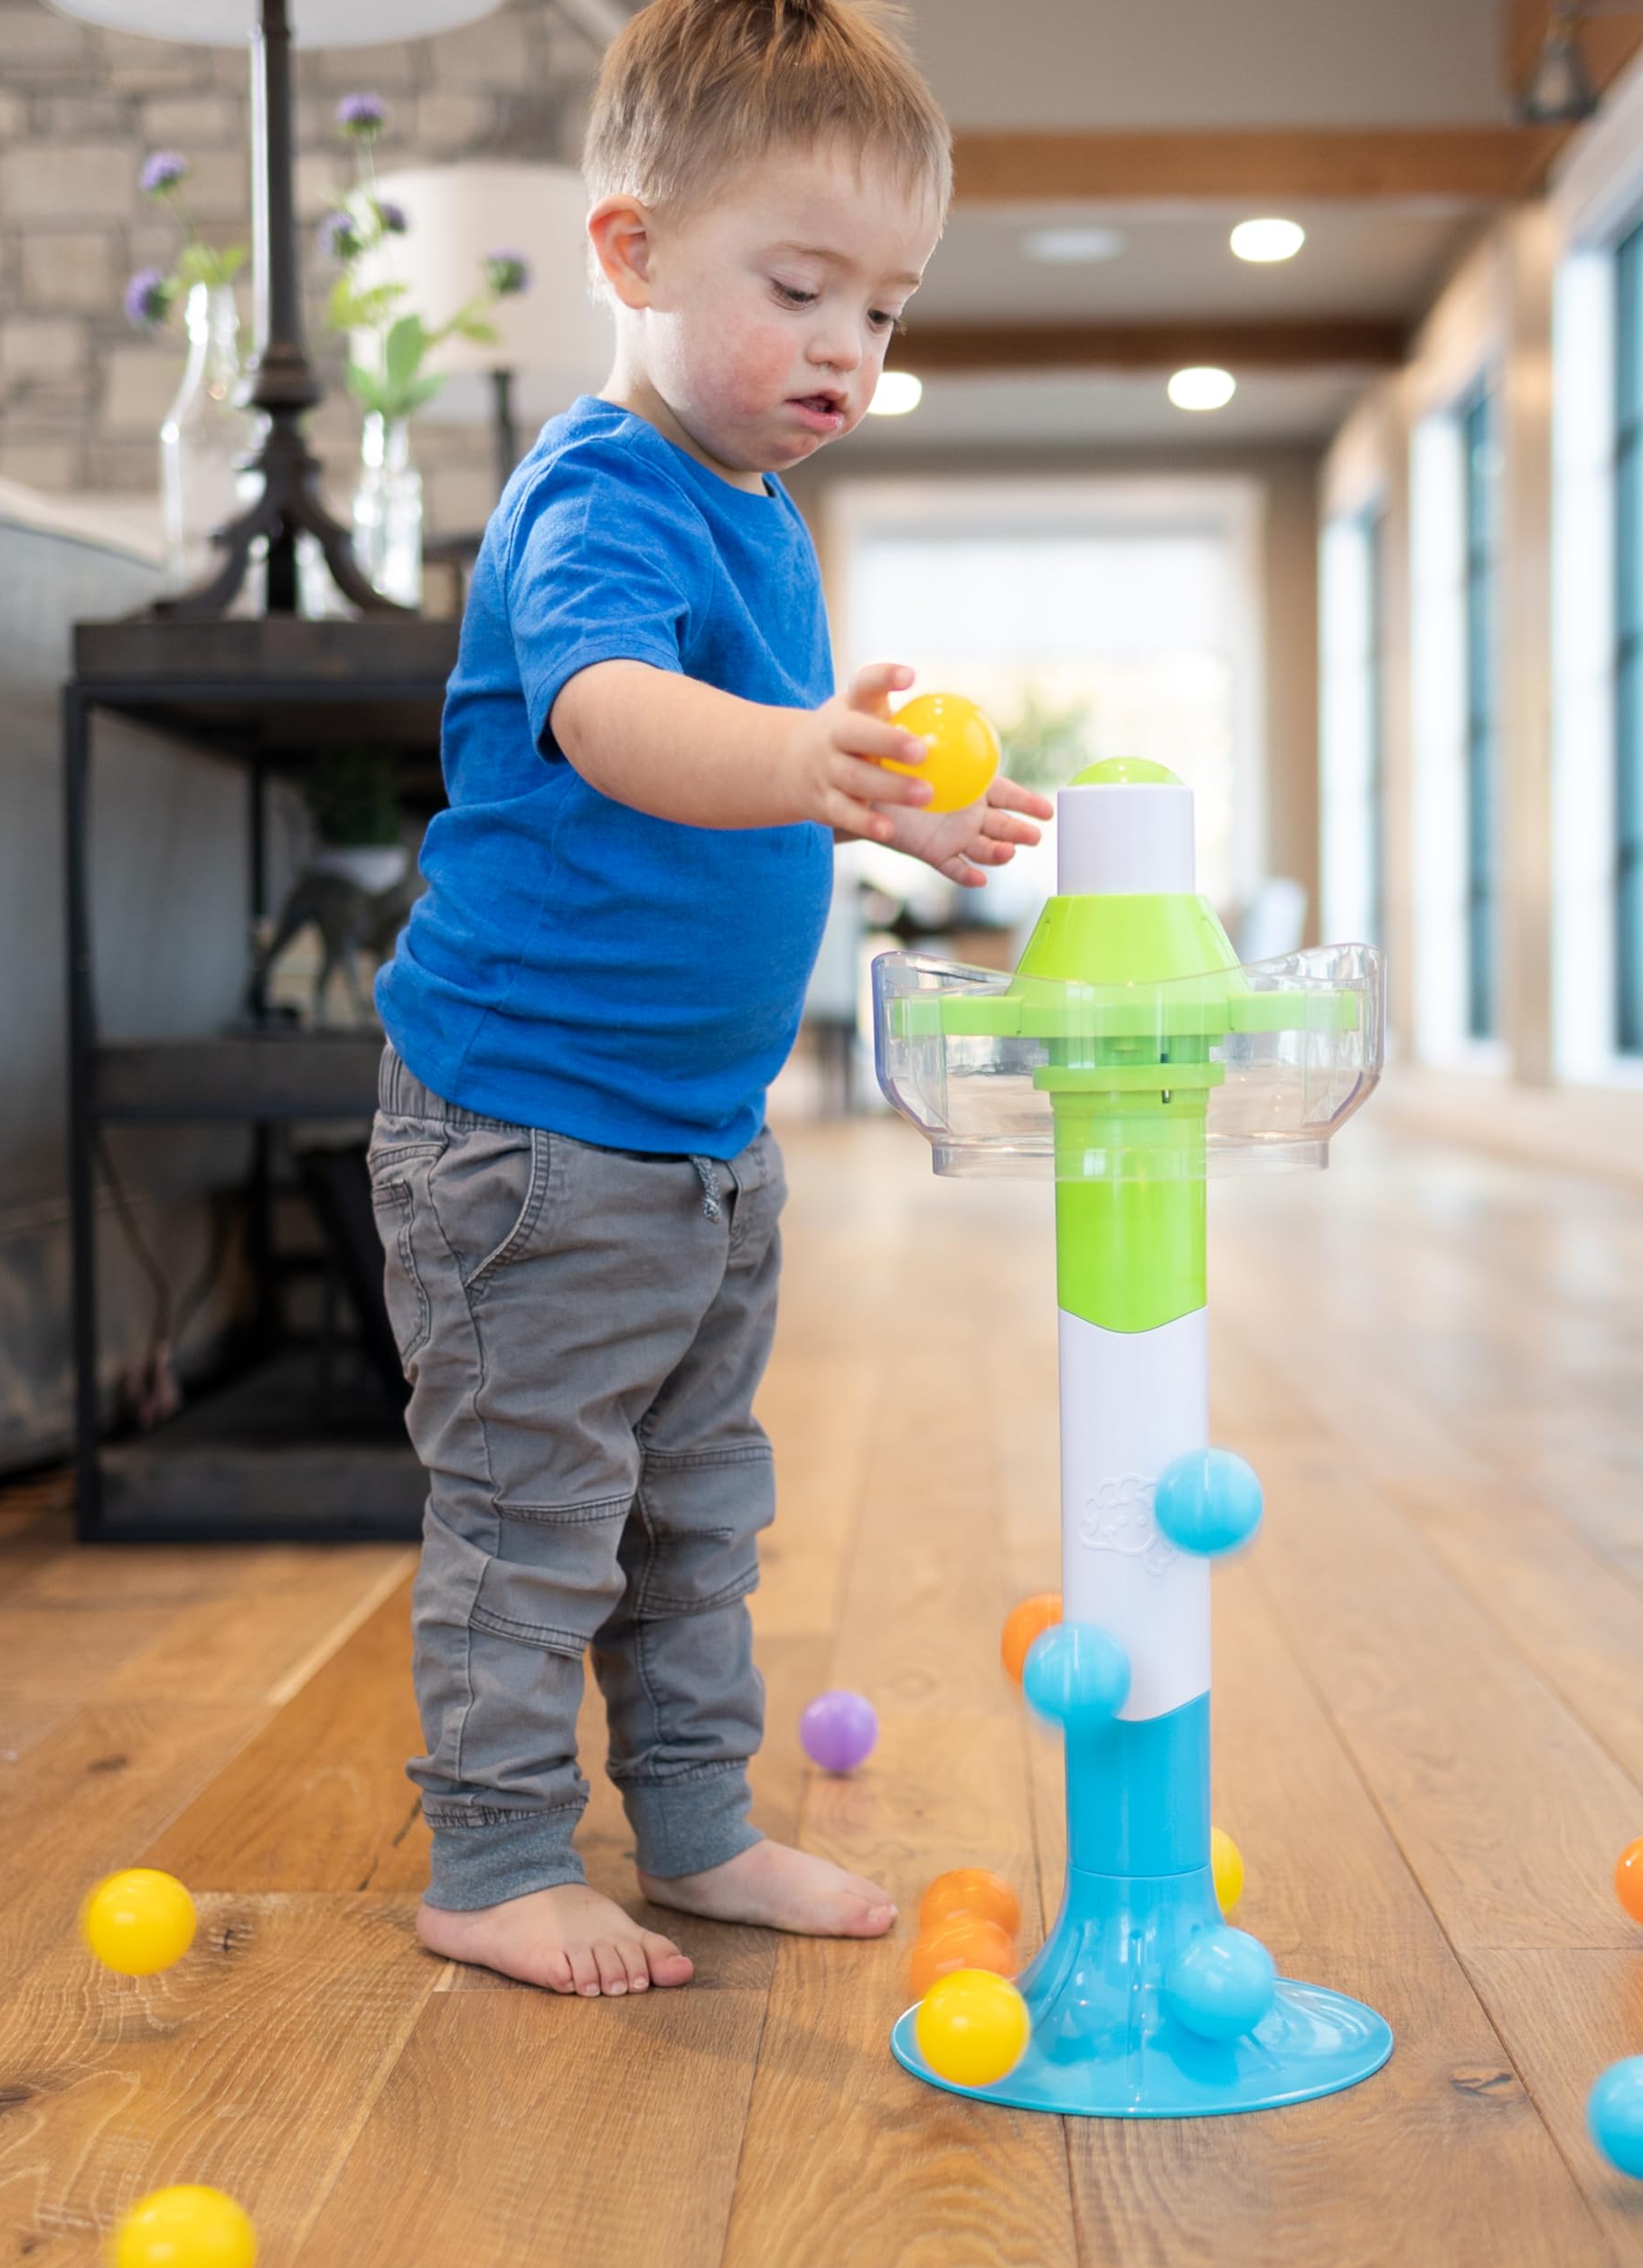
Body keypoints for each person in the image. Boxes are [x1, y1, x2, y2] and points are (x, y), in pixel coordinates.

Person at [368, 0, 1051, 1996]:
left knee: (694, 1512)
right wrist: (803, 759)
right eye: (801, 288)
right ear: (634, 252)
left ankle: (692, 1825)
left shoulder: (758, 508)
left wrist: (884, 807)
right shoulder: (600, 494)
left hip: (694, 1143)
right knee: (534, 1508)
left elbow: (758, 769)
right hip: (526, 1133)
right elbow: (612, 717)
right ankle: (496, 1857)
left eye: (886, 310)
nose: (850, 351)